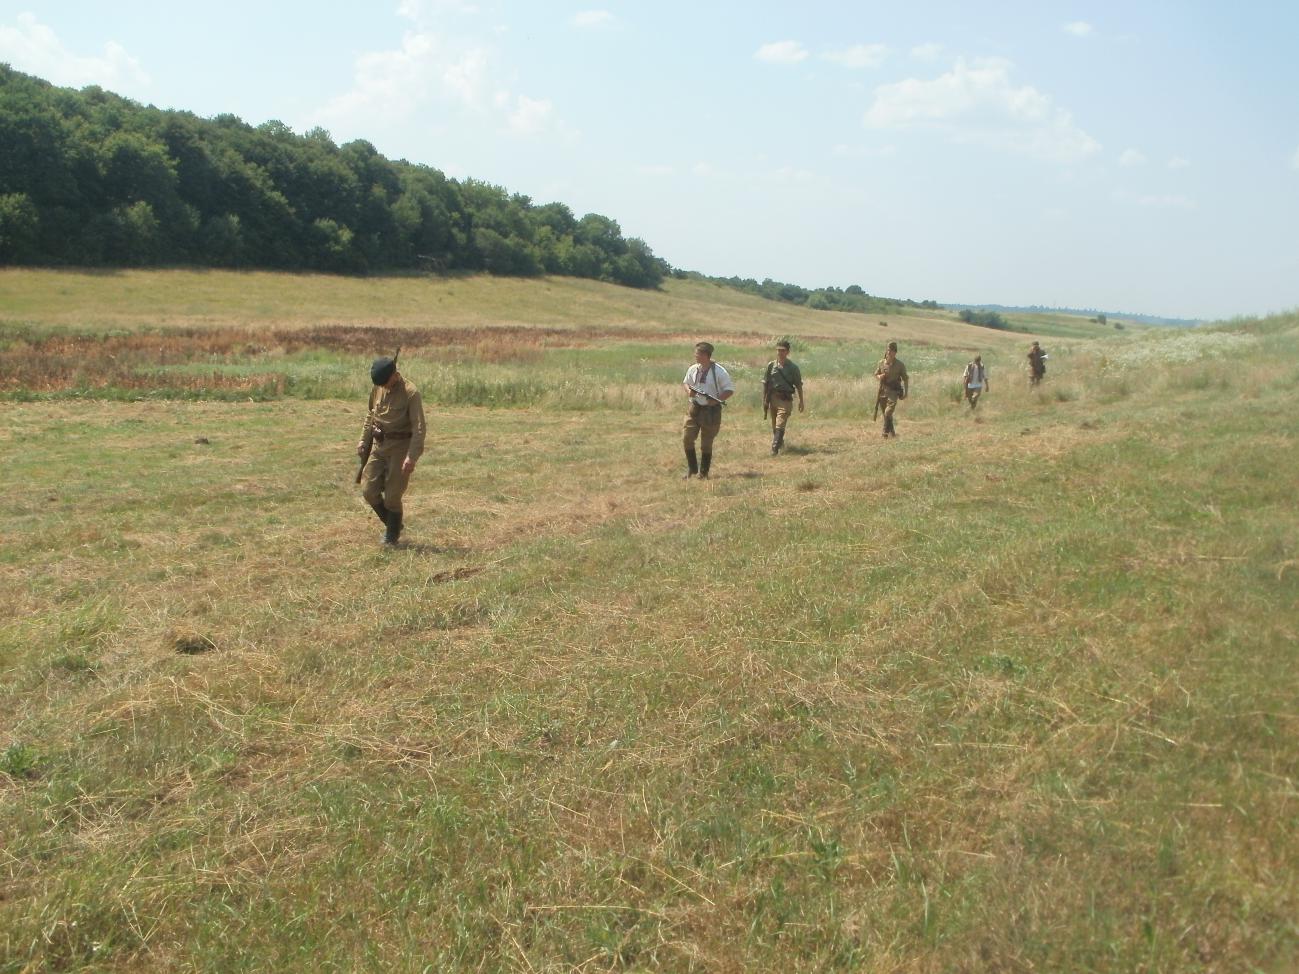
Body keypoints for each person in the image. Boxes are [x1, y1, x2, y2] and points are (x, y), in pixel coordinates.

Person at [357, 355, 426, 545]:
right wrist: (363, 440)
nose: (383, 387)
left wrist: (412, 457)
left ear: (395, 375)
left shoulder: (411, 393)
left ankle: (391, 535)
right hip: (379, 445)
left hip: (400, 448)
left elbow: (419, 428)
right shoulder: (378, 387)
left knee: (392, 496)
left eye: (385, 383)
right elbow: (371, 415)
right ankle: (393, 524)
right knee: (368, 490)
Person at [681, 341, 734, 479]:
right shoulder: (693, 369)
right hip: (694, 408)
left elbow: (729, 390)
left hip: (711, 411)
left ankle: (703, 473)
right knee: (687, 438)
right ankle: (692, 469)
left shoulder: (719, 372)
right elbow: (686, 382)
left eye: (698, 353)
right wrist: (689, 392)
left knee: (706, 443)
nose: (695, 355)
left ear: (706, 355)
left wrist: (716, 400)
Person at [763, 339, 805, 455]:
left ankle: (774, 449)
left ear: (787, 352)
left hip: (785, 399)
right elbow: (766, 383)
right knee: (775, 426)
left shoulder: (793, 368)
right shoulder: (771, 366)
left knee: (780, 422)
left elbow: (798, 385)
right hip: (773, 398)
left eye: (783, 350)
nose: (780, 353)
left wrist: (801, 401)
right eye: (778, 350)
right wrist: (765, 400)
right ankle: (780, 443)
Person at [873, 340, 909, 438]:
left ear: (895, 352)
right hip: (883, 391)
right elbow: (876, 374)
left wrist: (906, 393)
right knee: (886, 414)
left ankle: (884, 432)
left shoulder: (900, 365)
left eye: (891, 351)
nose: (889, 352)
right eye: (888, 350)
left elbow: (905, 379)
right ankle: (892, 433)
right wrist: (879, 376)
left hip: (894, 392)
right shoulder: (881, 363)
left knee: (888, 412)